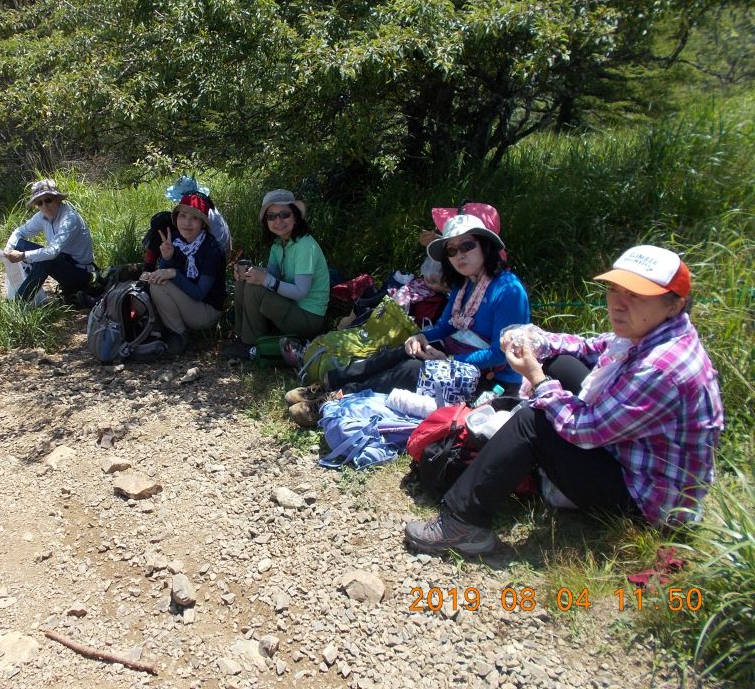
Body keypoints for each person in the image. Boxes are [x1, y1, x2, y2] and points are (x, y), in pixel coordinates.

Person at [404, 244, 724, 556]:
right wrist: (536, 341)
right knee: (560, 363)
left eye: (636, 296)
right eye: (615, 290)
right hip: (632, 457)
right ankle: (521, 468)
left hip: (648, 501)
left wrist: (537, 377)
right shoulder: (653, 332)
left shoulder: (661, 368)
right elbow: (589, 347)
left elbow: (584, 429)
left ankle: (463, 523)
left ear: (675, 304)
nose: (619, 303)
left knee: (535, 422)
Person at [285, 213, 529, 425]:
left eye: (466, 246)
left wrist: (449, 359)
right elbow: (445, 326)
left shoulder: (508, 290)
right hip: (454, 355)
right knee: (402, 350)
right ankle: (327, 383)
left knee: (413, 369)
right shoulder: (464, 283)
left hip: (490, 378)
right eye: (452, 250)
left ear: (485, 246)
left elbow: (500, 353)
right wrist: (421, 336)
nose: (459, 255)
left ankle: (333, 400)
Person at [224, 189, 330, 360]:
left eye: (284, 214)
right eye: (271, 216)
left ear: (295, 217)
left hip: (308, 318)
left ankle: (251, 344)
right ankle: (242, 335)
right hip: (291, 306)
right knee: (246, 279)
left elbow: (300, 291)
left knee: (255, 288)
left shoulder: (305, 246)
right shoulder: (278, 244)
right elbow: (271, 276)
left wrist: (264, 279)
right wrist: (249, 271)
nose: (278, 221)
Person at [139, 193, 226, 356]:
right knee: (152, 280)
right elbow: (167, 272)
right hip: (188, 301)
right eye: (182, 216)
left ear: (203, 223)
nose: (186, 223)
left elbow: (199, 293)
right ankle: (162, 329)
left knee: (159, 287)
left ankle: (179, 335)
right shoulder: (177, 239)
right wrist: (167, 258)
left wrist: (173, 273)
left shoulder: (211, 249)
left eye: (194, 218)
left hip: (207, 310)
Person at [3, 179, 95, 306]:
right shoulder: (42, 217)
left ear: (57, 199)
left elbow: (53, 251)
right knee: (20, 244)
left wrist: (22, 255)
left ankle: (18, 303)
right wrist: (8, 251)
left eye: (48, 200)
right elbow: (20, 231)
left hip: (80, 274)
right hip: (63, 264)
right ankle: (28, 291)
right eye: (40, 203)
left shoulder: (69, 219)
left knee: (45, 260)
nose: (45, 206)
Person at [142, 175, 232, 271]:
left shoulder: (200, 211)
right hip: (216, 250)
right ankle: (152, 266)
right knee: (161, 221)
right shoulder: (206, 204)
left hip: (210, 256)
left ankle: (149, 268)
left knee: (161, 222)